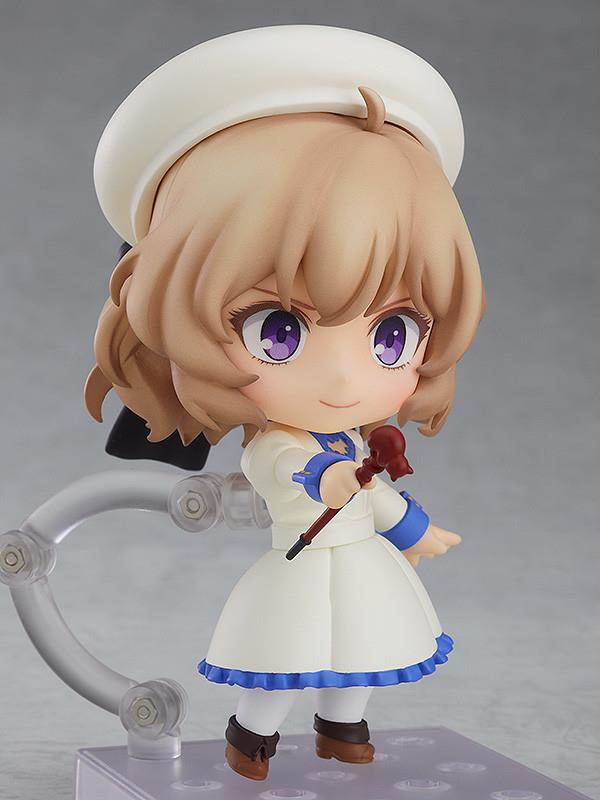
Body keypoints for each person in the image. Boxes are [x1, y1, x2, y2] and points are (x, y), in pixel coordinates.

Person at [87, 26, 484, 780]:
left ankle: (343, 727)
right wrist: (331, 480)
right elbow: (286, 472)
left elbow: (380, 499)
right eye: (279, 330)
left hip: (359, 567)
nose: (343, 379)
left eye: (392, 335)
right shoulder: (285, 446)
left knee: (361, 655)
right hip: (300, 570)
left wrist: (417, 531)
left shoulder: (357, 444)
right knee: (284, 662)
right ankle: (252, 736)